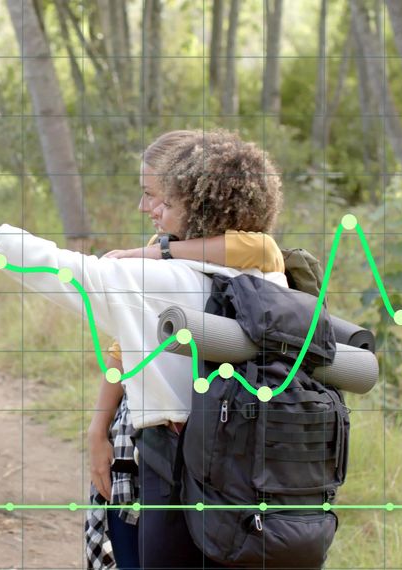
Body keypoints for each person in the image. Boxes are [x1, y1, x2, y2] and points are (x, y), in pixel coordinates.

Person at [0, 129, 286, 567]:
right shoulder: (272, 279)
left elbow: (58, 268)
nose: (146, 207)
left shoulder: (157, 280)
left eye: (159, 198)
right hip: (260, 473)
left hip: (180, 470)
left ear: (197, 202)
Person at [83, 130, 285, 570]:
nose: (145, 207)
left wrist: (154, 253)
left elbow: (261, 247)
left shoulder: (249, 255)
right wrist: (97, 431)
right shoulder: (161, 256)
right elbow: (121, 350)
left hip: (213, 446)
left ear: (191, 194)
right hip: (139, 441)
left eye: (153, 194)